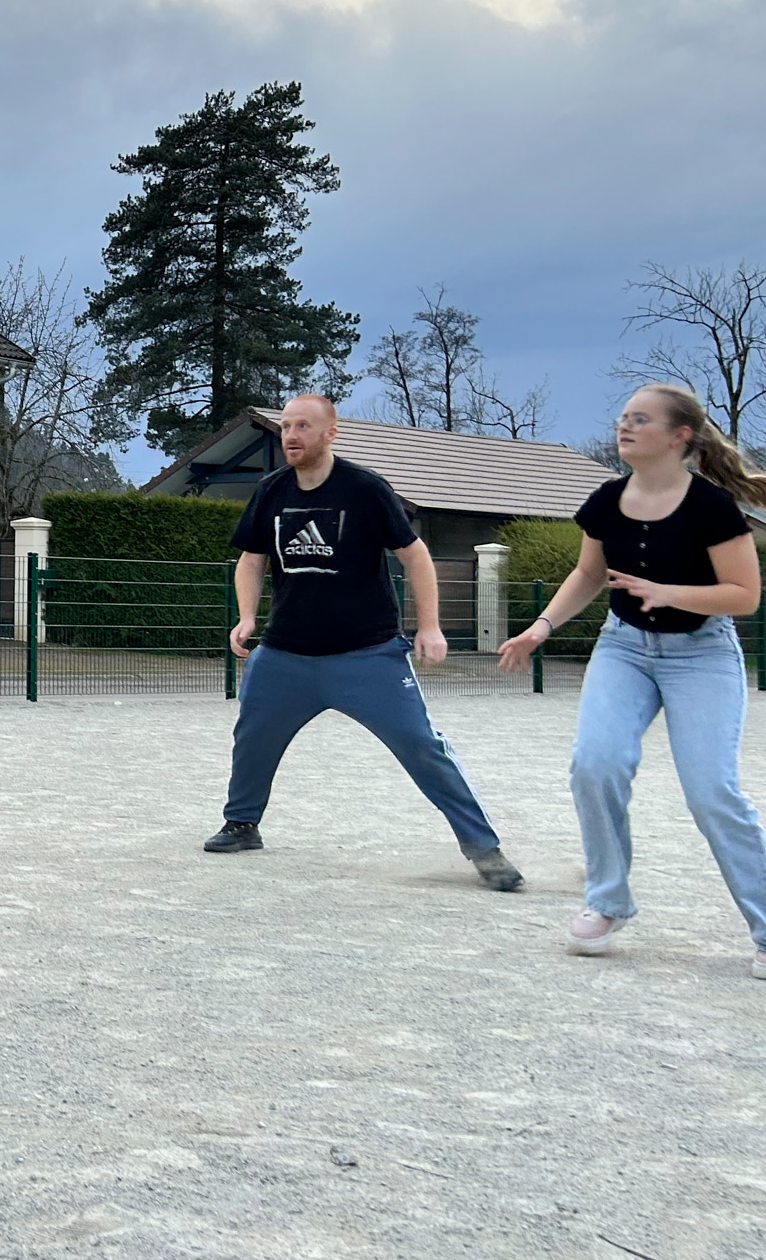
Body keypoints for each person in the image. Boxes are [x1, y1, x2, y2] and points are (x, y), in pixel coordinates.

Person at [204, 393, 524, 891]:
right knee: (252, 738)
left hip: (368, 654)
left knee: (422, 745)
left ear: (331, 433)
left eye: (303, 426)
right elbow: (251, 559)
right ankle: (242, 824)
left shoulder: (365, 488)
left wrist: (430, 626)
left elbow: (415, 555)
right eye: (286, 426)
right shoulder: (271, 491)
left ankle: (484, 848)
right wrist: (247, 617)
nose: (291, 435)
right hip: (286, 653)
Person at [499, 383, 766, 975]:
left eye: (640, 420)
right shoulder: (605, 500)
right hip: (623, 650)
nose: (624, 427)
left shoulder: (712, 507)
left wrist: (669, 593)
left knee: (712, 792)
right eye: (623, 418)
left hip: (702, 655)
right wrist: (541, 627)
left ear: (679, 436)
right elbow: (588, 574)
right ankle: (607, 901)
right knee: (595, 765)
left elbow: (744, 595)